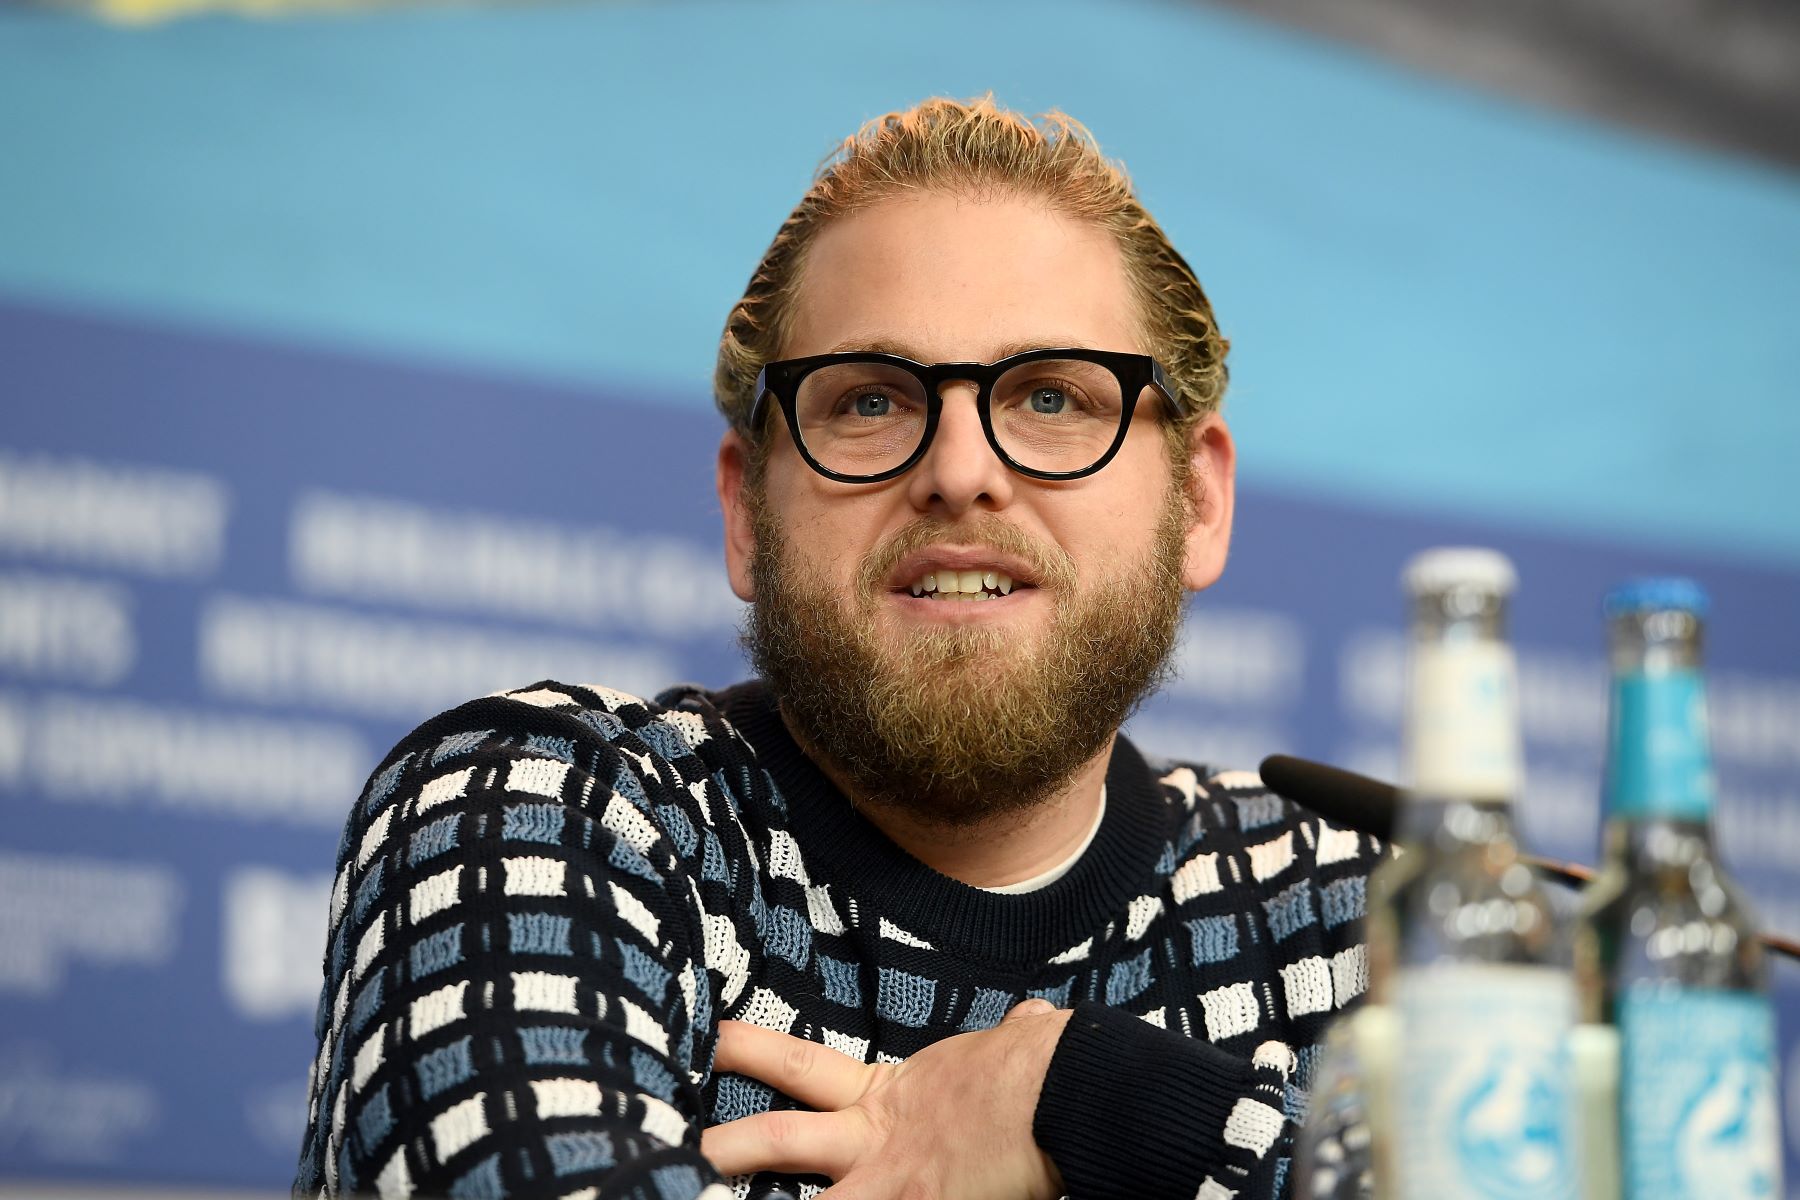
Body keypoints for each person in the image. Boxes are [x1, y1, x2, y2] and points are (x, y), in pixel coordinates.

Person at [293, 96, 1378, 1200]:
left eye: (1051, 396)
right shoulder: (539, 809)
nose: (960, 470)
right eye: (870, 402)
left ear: (1196, 502)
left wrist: (1106, 1103)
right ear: (746, 515)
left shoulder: (1362, 905)